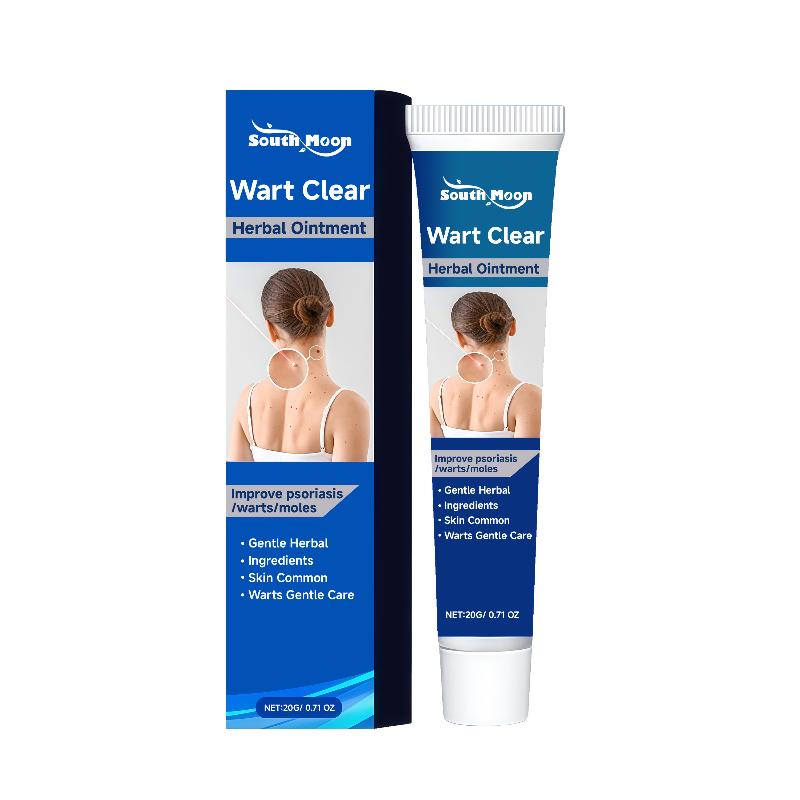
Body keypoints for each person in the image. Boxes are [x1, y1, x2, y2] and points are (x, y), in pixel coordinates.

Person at [229, 268, 370, 461]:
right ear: (330, 315)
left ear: (271, 329)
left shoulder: (247, 400)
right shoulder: (348, 408)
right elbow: (350, 483)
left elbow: (237, 480)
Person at [430, 291, 541, 438]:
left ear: (460, 338)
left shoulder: (438, 391)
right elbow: (528, 455)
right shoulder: (528, 398)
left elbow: (434, 452)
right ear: (513, 327)